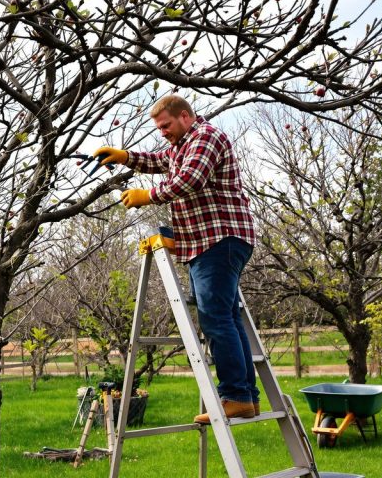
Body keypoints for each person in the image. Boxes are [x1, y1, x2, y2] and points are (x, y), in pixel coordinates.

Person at [93, 94, 259, 423]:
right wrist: (125, 157)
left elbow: (189, 180)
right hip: (207, 242)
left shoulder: (205, 137)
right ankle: (245, 398)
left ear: (185, 116)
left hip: (218, 239)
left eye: (166, 125)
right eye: (159, 128)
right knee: (225, 317)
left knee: (215, 319)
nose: (163, 132)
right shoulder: (181, 146)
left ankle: (235, 395)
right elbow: (159, 161)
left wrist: (148, 195)